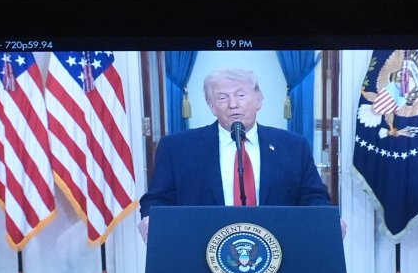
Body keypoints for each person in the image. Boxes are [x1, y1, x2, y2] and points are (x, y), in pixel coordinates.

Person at [137, 67, 332, 242]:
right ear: (212, 106)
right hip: (200, 250)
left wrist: (327, 219)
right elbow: (156, 199)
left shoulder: (293, 146)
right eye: (222, 98)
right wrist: (151, 218)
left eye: (241, 95)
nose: (233, 104)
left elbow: (314, 196)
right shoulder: (177, 148)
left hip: (278, 249)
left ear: (258, 100)